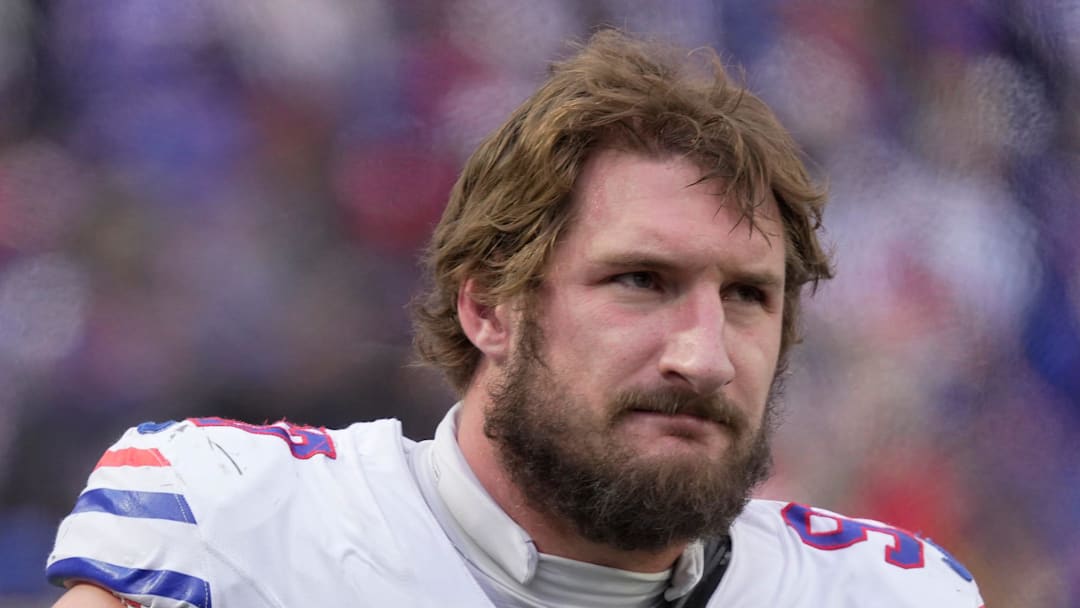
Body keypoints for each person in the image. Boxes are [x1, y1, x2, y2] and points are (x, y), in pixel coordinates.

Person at [47, 29, 984, 607]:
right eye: (640, 281)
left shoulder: (886, 594)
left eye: (748, 295)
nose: (704, 355)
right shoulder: (225, 527)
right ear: (489, 306)